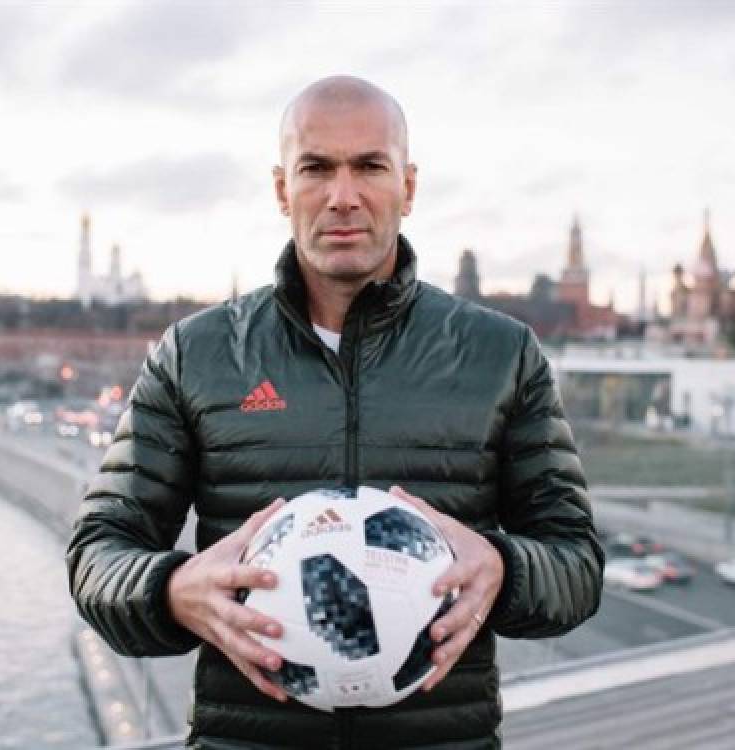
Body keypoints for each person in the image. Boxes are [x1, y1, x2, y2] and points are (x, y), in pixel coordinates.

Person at [67, 75, 604, 750]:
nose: (342, 195)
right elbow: (98, 553)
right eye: (316, 168)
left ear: (408, 186)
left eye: (370, 167)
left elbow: (577, 564)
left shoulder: (501, 354)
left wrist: (504, 568)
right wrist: (172, 591)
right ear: (281, 189)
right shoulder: (195, 355)